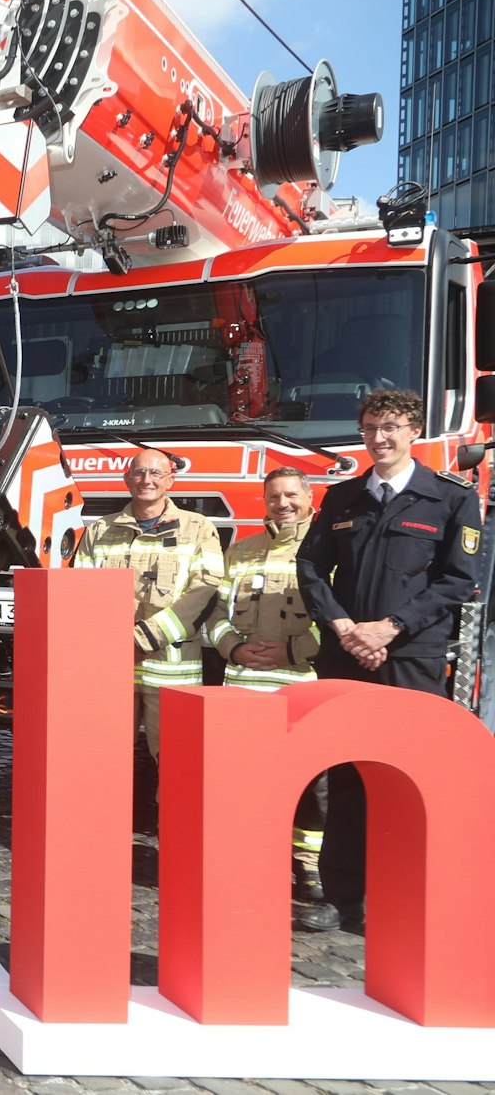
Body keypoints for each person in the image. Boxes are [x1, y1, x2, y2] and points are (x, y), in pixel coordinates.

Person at [296, 389, 481, 923]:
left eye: (392, 427)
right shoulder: (342, 498)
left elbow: (457, 581)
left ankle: (403, 899)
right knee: (347, 776)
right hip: (346, 656)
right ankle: (341, 898)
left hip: (410, 659)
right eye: (372, 426)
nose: (380, 437)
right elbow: (311, 569)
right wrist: (346, 627)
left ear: (413, 432)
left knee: (406, 777)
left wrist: (391, 629)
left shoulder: (450, 498)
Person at [204, 467, 335, 931]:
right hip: (242, 690)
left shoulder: (327, 549)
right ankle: (250, 862)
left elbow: (336, 619)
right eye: (274, 496)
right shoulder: (239, 551)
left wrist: (293, 650)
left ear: (309, 497)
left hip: (304, 687)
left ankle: (309, 867)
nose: (283, 504)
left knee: (312, 787)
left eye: (291, 495)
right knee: (243, 783)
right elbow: (215, 616)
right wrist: (232, 648)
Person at [70, 448, 223, 766]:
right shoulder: (100, 531)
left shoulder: (198, 529)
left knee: (176, 760)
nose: (146, 480)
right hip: (112, 669)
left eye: (155, 473)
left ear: (171, 480)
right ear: (126, 479)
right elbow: (78, 595)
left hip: (171, 670)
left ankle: (169, 817)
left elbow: (205, 591)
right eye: (139, 473)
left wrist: (144, 638)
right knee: (102, 757)